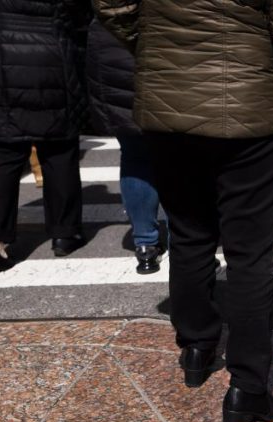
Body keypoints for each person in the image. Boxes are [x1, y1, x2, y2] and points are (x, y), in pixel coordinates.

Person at [94, 0, 273, 422]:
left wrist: (158, 44)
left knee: (189, 234)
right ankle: (247, 387)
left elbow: (112, 6)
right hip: (249, 109)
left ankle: (196, 347)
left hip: (168, 103)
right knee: (249, 255)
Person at [0, 0, 90, 272]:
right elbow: (77, 12)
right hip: (44, 52)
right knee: (59, 146)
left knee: (1, 149)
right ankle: (64, 232)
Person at [86, 19, 164, 274]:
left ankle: (145, 243)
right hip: (166, 46)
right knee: (179, 155)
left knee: (135, 154)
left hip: (112, 49)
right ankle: (187, 240)